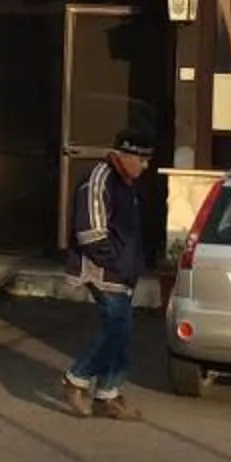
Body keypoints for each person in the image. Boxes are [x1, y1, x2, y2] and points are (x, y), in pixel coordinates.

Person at [64, 127, 157, 420]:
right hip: (102, 270)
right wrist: (115, 262)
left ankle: (108, 395)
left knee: (121, 333)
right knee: (118, 330)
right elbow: (90, 232)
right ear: (125, 155)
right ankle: (76, 378)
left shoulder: (127, 184)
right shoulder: (99, 179)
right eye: (142, 160)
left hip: (123, 271)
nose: (146, 166)